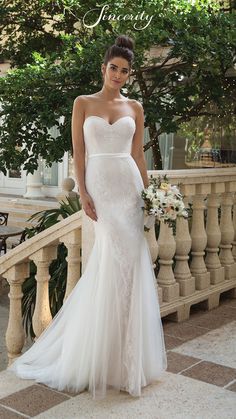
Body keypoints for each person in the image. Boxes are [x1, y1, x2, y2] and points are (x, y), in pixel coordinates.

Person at [7, 34, 167, 400]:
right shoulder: (83, 103)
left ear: (129, 73)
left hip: (129, 190)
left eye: (125, 71)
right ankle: (102, 357)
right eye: (114, 68)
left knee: (130, 267)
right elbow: (78, 153)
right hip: (102, 190)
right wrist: (84, 193)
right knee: (112, 263)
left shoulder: (136, 108)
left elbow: (138, 156)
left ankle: (127, 361)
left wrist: (152, 196)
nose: (119, 75)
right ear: (103, 67)